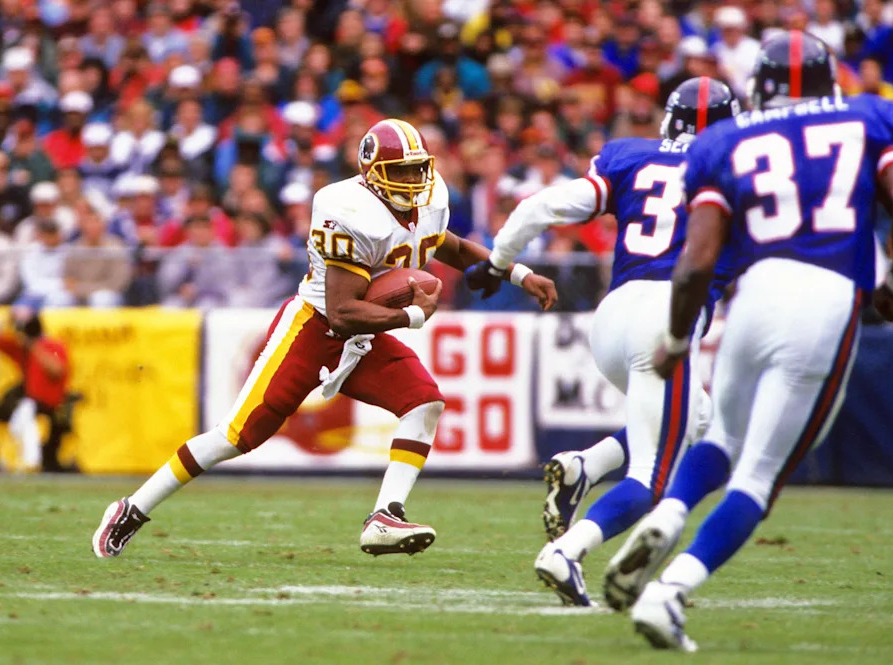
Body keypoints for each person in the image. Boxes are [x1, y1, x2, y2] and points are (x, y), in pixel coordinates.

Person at [92, 118, 557, 559]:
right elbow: (343, 310)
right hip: (315, 327)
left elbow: (445, 244)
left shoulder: (429, 197)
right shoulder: (346, 210)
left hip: (365, 329)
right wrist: (414, 316)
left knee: (424, 402)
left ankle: (385, 516)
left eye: (419, 168)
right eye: (402, 171)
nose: (414, 179)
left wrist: (514, 271)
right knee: (236, 436)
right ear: (373, 175)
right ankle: (132, 507)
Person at [605, 31, 893, 651]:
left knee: (721, 438)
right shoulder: (871, 115)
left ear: (760, 88)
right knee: (759, 477)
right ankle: (668, 592)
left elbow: (696, 262)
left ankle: (668, 517)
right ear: (828, 80)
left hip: (752, 298)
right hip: (826, 295)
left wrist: (676, 336)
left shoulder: (726, 138)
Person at [466, 78, 739, 606]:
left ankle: (585, 466)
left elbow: (536, 208)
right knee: (654, 477)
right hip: (668, 321)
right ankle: (567, 551)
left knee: (698, 415)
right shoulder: (738, 170)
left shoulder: (631, 156)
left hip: (612, 318)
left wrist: (499, 263)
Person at [0, 308, 72, 472]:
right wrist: (8, 318)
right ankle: (26, 462)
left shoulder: (52, 345)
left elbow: (57, 370)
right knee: (22, 416)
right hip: (29, 401)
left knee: (25, 414)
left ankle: (31, 462)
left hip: (50, 402)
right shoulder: (22, 347)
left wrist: (34, 346)